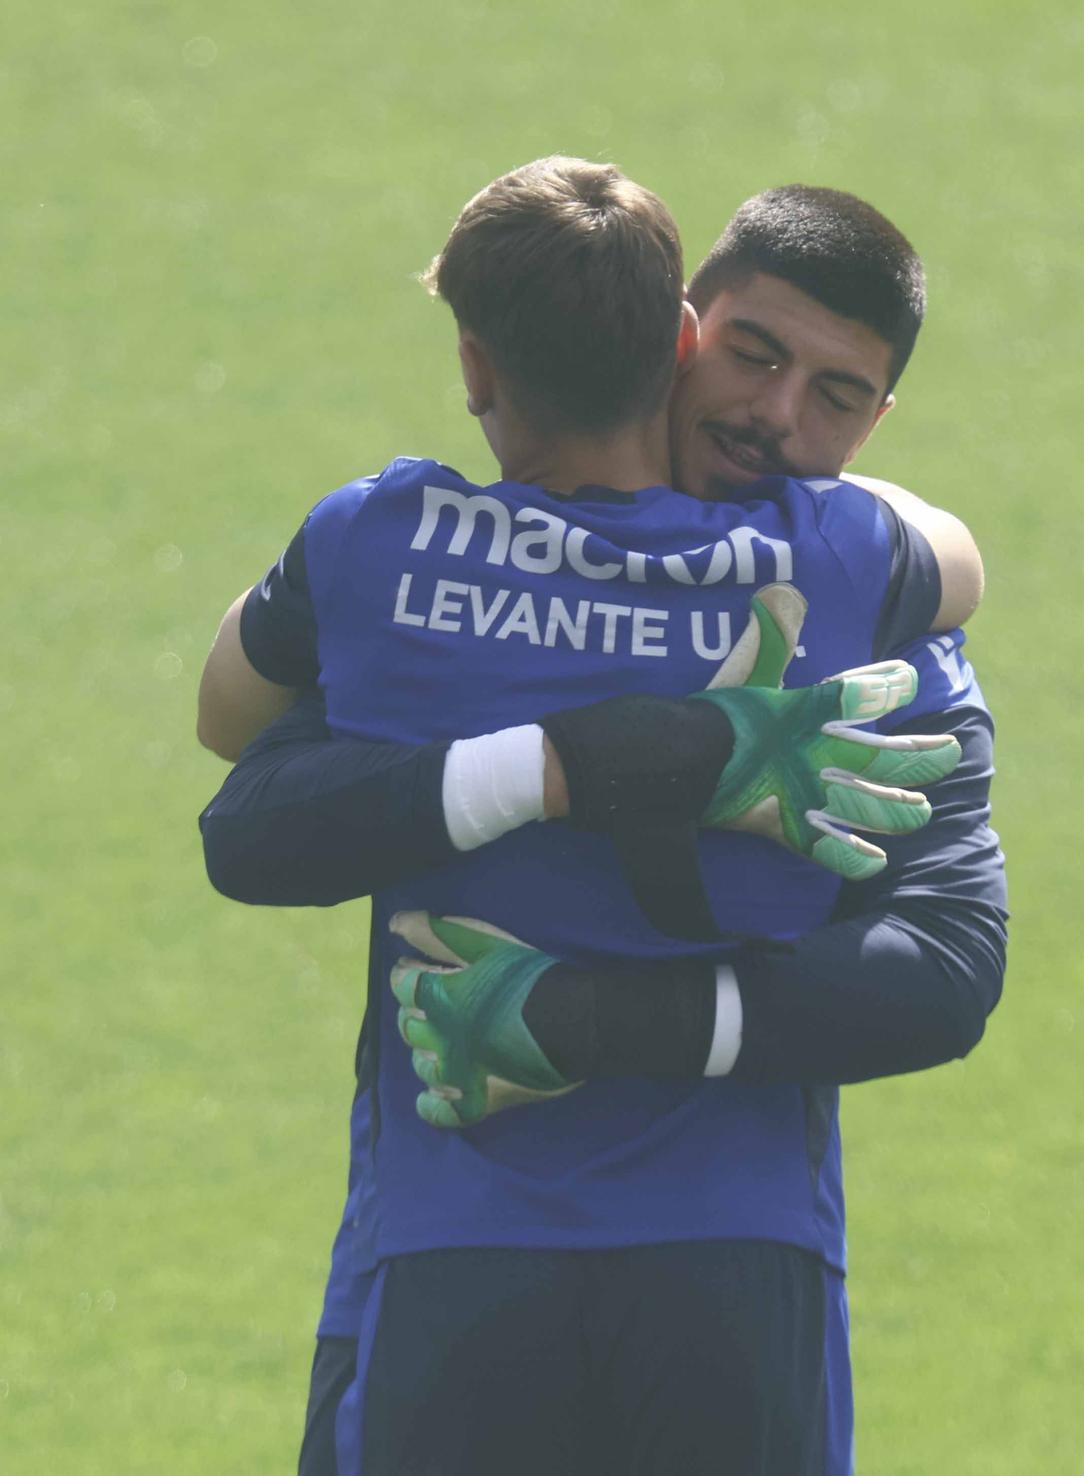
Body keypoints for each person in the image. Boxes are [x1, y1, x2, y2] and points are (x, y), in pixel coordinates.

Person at [196, 159, 1006, 1475]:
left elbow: (952, 968)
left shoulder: (406, 557)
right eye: (752, 357)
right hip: (654, 1257)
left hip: (523, 1251)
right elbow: (949, 553)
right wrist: (582, 755)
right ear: (678, 329)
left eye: (837, 397)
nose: (775, 416)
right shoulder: (854, 584)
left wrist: (592, 1020)